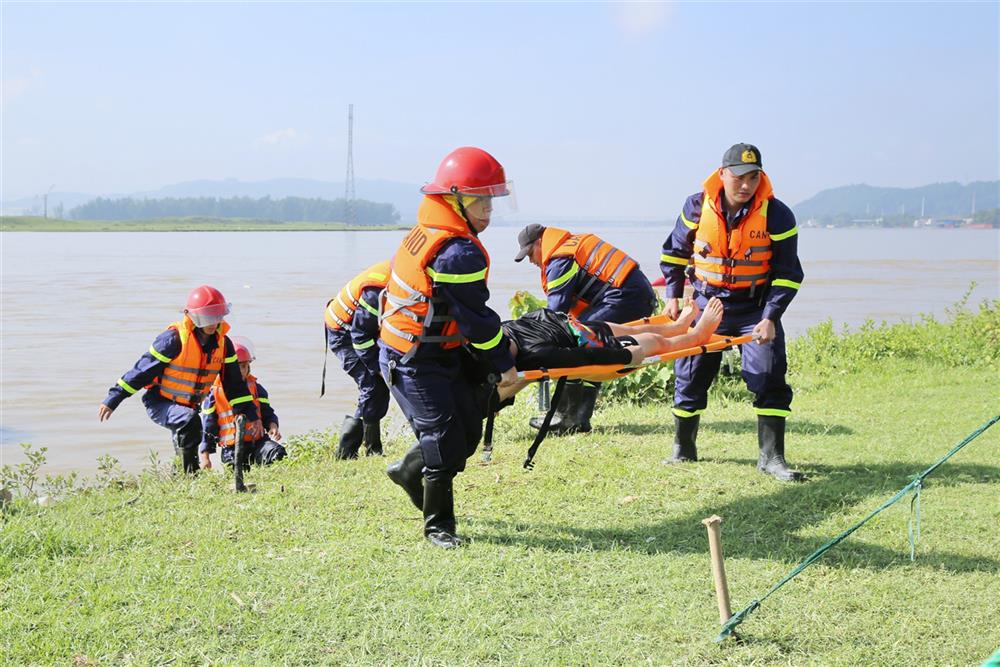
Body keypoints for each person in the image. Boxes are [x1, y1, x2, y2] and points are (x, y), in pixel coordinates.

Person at [380, 146, 518, 549]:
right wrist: (503, 362)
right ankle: (438, 526)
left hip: (442, 351)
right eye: (479, 201)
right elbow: (476, 321)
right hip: (411, 357)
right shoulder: (457, 252)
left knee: (468, 433)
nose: (487, 210)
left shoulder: (442, 235)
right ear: (452, 200)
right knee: (442, 439)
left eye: (491, 200)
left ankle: (407, 471)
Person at [659, 143, 805, 481]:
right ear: (722, 174)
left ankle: (771, 459)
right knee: (690, 375)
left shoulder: (777, 214)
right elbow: (675, 254)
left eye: (754, 178)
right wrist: (673, 295)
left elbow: (788, 274)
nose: (745, 185)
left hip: (755, 308)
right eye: (738, 177)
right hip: (707, 304)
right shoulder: (695, 206)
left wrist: (771, 316)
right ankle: (683, 449)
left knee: (768, 376)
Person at [98, 285, 263, 473]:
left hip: (189, 406)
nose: (212, 322)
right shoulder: (173, 339)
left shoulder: (223, 344)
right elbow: (141, 371)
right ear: (191, 315)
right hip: (160, 401)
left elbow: (234, 385)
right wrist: (114, 398)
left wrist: (252, 415)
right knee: (189, 422)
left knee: (188, 432)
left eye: (217, 316)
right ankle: (190, 476)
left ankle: (182, 476)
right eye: (207, 317)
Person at [513, 224, 658, 434]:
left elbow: (556, 314)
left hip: (624, 297)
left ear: (539, 243)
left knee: (576, 340)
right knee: (588, 343)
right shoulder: (569, 248)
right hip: (633, 295)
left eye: (530, 254)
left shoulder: (561, 260)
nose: (531, 261)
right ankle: (579, 418)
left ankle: (565, 417)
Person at [324, 260, 391, 459]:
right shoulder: (377, 289)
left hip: (361, 329)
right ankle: (346, 453)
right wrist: (376, 368)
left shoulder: (398, 275)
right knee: (372, 384)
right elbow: (360, 336)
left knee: (379, 387)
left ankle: (372, 448)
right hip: (342, 332)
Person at [199, 336, 286, 469]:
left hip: (258, 443)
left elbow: (267, 412)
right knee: (237, 471)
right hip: (231, 449)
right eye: (237, 367)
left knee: (277, 454)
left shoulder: (256, 388)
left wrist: (273, 426)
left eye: (245, 366)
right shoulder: (213, 394)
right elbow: (208, 427)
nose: (241, 371)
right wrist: (205, 457)